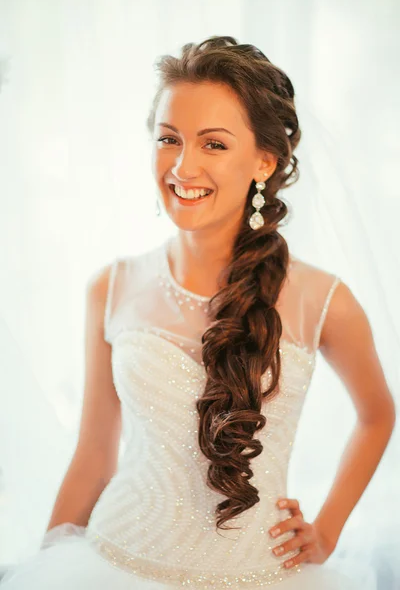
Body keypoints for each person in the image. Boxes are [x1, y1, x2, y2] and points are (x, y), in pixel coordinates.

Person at [0, 35, 395, 590]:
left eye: (213, 144)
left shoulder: (324, 300)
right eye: (168, 139)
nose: (182, 167)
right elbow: (93, 454)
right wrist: (42, 568)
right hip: (112, 566)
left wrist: (326, 532)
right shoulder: (111, 288)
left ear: (264, 160)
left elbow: (378, 414)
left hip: (263, 575)